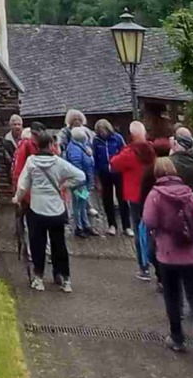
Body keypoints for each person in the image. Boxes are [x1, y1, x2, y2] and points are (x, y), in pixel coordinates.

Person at [142, 155, 193, 362]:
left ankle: (177, 339)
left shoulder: (155, 195)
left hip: (167, 255)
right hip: (192, 255)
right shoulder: (189, 194)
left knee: (173, 299)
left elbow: (148, 221)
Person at [16, 127, 86, 293]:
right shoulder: (58, 162)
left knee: (37, 245)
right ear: (50, 145)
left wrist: (17, 198)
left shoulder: (31, 162)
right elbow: (81, 176)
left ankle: (39, 279)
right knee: (59, 244)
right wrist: (65, 185)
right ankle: (65, 279)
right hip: (56, 209)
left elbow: (23, 185)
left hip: (37, 208)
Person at [112, 121, 155, 279]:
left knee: (139, 230)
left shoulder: (130, 153)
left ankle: (144, 267)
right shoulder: (152, 150)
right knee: (153, 230)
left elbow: (114, 164)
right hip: (152, 194)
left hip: (136, 196)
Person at [92, 119, 128, 235]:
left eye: (103, 131)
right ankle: (112, 225)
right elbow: (95, 159)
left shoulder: (117, 138)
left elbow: (124, 153)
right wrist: (96, 177)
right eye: (100, 131)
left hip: (118, 172)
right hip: (104, 173)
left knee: (122, 199)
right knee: (107, 200)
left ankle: (126, 226)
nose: (102, 133)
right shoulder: (96, 141)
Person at [62, 121, 98, 237]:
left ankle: (85, 225)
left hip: (84, 180)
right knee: (78, 204)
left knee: (82, 203)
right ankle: (79, 227)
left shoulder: (81, 145)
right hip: (79, 182)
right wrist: (82, 179)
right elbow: (76, 166)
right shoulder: (74, 149)